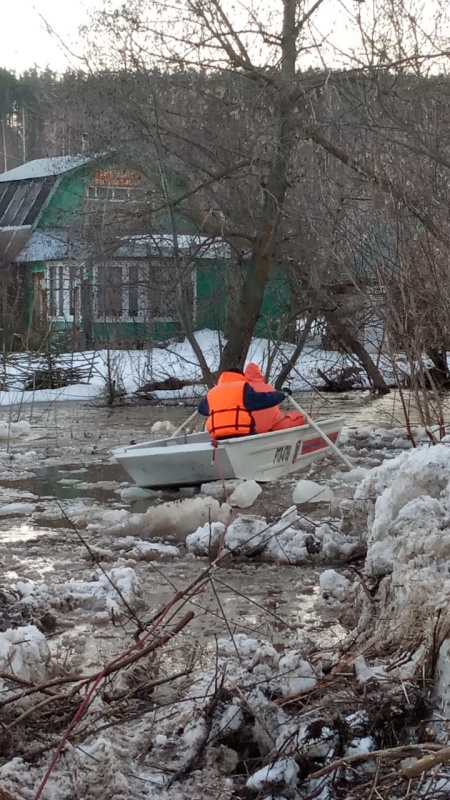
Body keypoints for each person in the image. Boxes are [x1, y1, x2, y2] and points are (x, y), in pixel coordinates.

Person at [198, 368, 286, 440]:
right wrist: (282, 395)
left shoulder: (212, 392)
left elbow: (201, 408)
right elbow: (263, 399)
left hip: (218, 436)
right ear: (241, 376)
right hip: (242, 434)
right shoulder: (242, 388)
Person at [244, 363, 306, 433]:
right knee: (303, 416)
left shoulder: (243, 390)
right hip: (272, 427)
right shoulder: (269, 388)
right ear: (260, 374)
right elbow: (277, 406)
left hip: (249, 430)